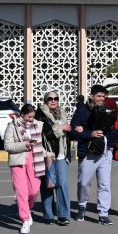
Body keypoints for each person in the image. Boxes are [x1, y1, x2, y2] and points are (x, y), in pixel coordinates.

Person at [70, 85, 118, 225]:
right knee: (84, 183)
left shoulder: (108, 110)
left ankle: (103, 213)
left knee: (104, 184)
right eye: (98, 96)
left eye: (103, 96)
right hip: (88, 153)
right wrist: (88, 133)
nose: (101, 99)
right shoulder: (82, 111)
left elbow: (115, 129)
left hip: (105, 153)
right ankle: (81, 207)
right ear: (91, 96)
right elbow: (72, 131)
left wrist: (110, 143)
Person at [5, 104, 50, 234]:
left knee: (34, 191)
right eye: (29, 117)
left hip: (35, 160)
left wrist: (47, 153)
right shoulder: (12, 126)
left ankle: (27, 209)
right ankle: (25, 219)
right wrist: (24, 145)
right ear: (22, 114)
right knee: (21, 191)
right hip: (18, 161)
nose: (31, 119)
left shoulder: (38, 125)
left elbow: (40, 144)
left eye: (33, 117)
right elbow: (8, 146)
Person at [35, 91, 72, 226]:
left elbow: (66, 133)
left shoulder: (62, 112)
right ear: (45, 100)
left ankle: (63, 215)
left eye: (55, 98)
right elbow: (46, 133)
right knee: (48, 185)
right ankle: (48, 215)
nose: (53, 101)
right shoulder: (40, 114)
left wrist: (73, 130)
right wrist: (60, 128)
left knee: (62, 184)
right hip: (47, 154)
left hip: (62, 154)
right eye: (50, 98)